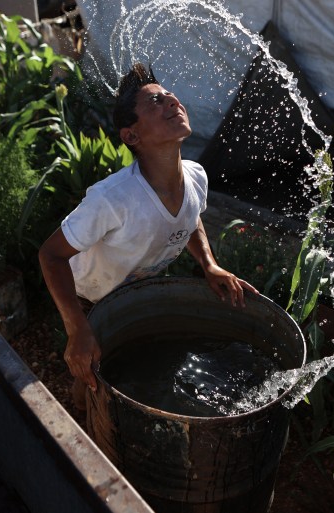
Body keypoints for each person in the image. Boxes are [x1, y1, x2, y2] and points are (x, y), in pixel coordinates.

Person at [38, 63, 259, 410]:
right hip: (90, 297)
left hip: (137, 286)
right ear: (131, 136)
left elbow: (191, 218)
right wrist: (76, 328)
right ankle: (79, 422)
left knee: (130, 364)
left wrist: (209, 264)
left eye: (169, 94)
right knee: (90, 372)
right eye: (155, 102)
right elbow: (51, 255)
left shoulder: (196, 176)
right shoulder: (113, 198)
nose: (171, 100)